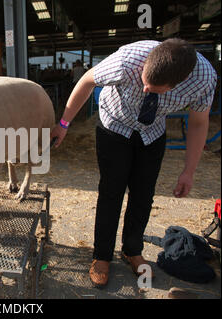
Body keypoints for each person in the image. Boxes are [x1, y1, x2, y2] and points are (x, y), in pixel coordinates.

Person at [51, 38, 217, 287]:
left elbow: (198, 122)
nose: (145, 89)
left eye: (154, 88)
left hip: (152, 132)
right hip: (114, 125)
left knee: (143, 193)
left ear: (176, 85)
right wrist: (64, 123)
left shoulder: (203, 80)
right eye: (144, 82)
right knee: (111, 191)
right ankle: (102, 255)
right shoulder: (127, 60)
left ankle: (132, 249)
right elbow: (87, 81)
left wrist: (188, 171)